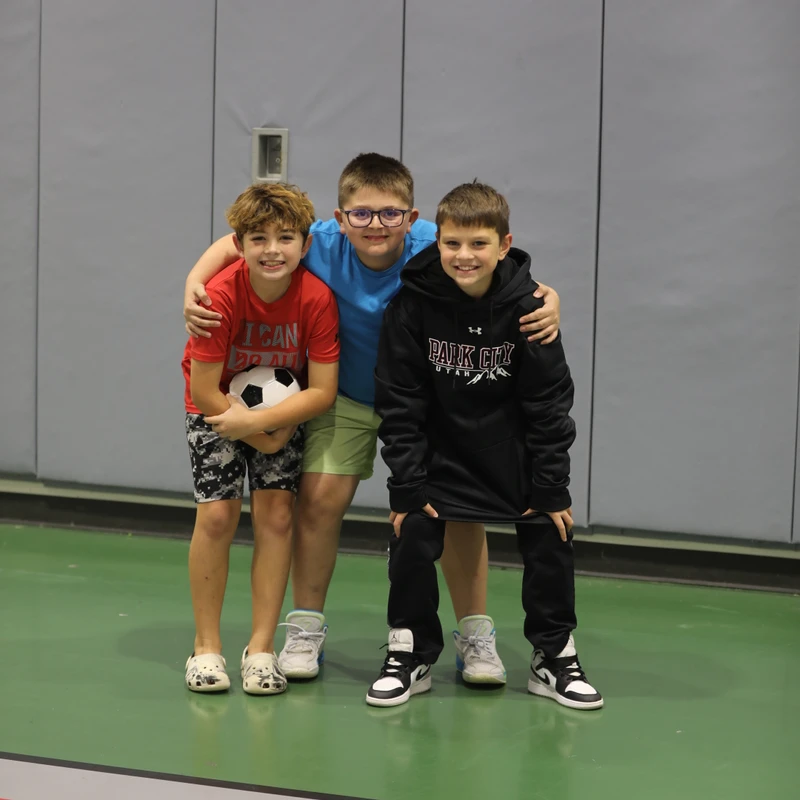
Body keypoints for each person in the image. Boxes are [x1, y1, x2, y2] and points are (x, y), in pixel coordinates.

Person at [183, 154, 561, 685]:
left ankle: (475, 636)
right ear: (339, 219)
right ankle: (306, 627)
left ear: (411, 219)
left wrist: (548, 297)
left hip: (432, 403)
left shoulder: (436, 241)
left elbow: (494, 258)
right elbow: (238, 242)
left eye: (390, 214)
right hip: (346, 399)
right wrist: (193, 281)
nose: (375, 225)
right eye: (361, 214)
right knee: (317, 500)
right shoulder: (318, 242)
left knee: (455, 510)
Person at [366, 181, 602, 710]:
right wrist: (408, 481)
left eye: (477, 244)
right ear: (436, 241)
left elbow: (549, 402)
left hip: (508, 456)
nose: (463, 256)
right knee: (412, 528)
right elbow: (400, 402)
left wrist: (551, 485)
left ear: (503, 243)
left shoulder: (531, 308)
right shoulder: (411, 306)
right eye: (452, 244)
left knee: (550, 528)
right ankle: (410, 650)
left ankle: (554, 655)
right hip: (441, 454)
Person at [182, 183, 339, 695]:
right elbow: (204, 388)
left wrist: (268, 431)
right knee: (218, 515)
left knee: (275, 517)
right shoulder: (220, 296)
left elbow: (322, 391)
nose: (273, 249)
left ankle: (262, 649)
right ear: (240, 244)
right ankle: (206, 648)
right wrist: (250, 427)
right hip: (217, 408)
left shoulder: (316, 299)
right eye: (259, 238)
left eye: (285, 237)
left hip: (282, 414)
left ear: (306, 244)